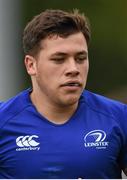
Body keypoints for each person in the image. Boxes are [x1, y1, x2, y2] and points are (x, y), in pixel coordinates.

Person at [0, 9, 127, 179]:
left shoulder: (119, 118)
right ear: (31, 65)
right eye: (59, 59)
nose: (73, 69)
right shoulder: (3, 121)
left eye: (80, 58)